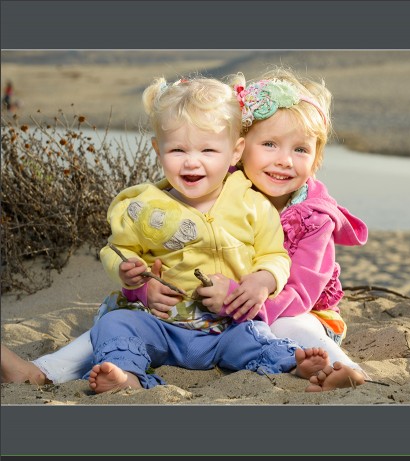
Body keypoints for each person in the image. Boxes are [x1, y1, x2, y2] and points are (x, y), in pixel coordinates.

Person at [1, 69, 369, 392]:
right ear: (240, 150)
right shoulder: (216, 189)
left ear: (317, 159)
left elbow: (300, 292)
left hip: (283, 312)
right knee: (113, 326)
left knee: (296, 326)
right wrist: (144, 280)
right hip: (200, 315)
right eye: (269, 144)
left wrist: (246, 296)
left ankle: (342, 369)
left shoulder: (314, 217)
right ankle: (42, 371)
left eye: (301, 149)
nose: (284, 160)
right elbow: (142, 240)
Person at [85, 76, 332, 392]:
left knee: (255, 337)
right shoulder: (145, 205)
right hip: (162, 326)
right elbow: (117, 248)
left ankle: (294, 363)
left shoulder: (252, 203)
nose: (192, 161)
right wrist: (134, 277)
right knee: (115, 324)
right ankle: (126, 376)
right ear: (157, 150)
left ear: (234, 152)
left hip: (227, 328)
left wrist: (264, 279)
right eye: (177, 149)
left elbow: (275, 254)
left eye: (208, 150)